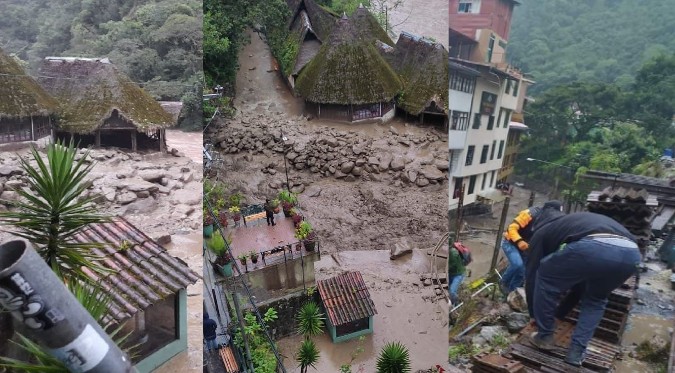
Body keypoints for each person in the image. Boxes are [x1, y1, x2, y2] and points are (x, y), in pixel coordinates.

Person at [525, 212, 641, 366]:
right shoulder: (575, 224)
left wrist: (534, 314)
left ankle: (544, 337)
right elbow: (579, 287)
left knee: (545, 274)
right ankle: (576, 353)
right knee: (596, 300)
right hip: (631, 255)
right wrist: (559, 315)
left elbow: (532, 274)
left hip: (594, 246)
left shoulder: (542, 232)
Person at [500, 200, 563, 294]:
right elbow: (512, 227)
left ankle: (512, 291)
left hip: (527, 248)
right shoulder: (530, 214)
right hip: (510, 243)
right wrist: (519, 241)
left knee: (523, 272)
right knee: (518, 265)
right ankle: (503, 283)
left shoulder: (548, 220)